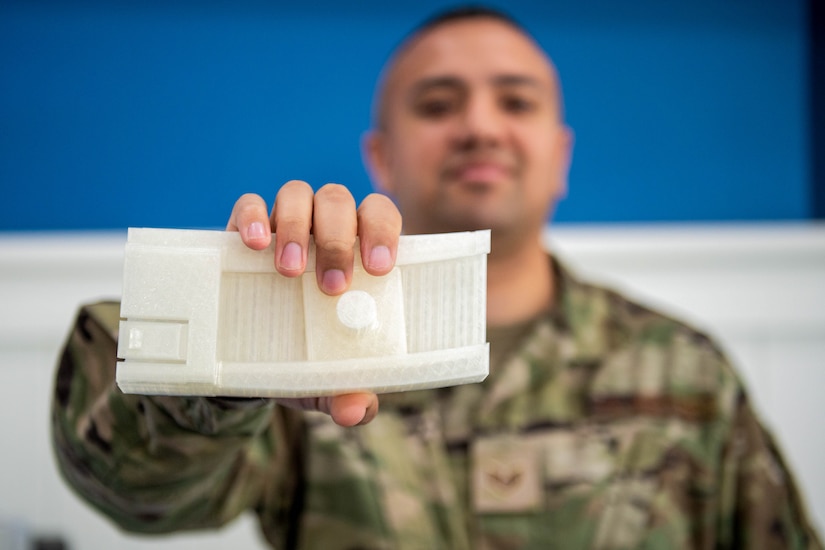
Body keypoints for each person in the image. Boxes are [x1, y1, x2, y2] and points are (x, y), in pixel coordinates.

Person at [51, 6, 822, 549]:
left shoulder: (687, 369)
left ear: (558, 156)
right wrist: (236, 336)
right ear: (381, 157)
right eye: (437, 103)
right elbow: (138, 496)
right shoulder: (299, 355)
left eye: (515, 101)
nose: (480, 125)